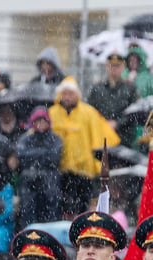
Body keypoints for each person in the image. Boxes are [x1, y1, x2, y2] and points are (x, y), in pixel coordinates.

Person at [49, 78, 119, 218]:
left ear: (77, 95)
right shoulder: (52, 113)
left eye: (71, 94)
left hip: (83, 168)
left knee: (82, 204)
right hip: (60, 168)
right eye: (65, 93)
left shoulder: (88, 112)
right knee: (61, 205)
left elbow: (102, 135)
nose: (68, 97)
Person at [14, 108, 64, 228]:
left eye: (43, 121)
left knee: (50, 213)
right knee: (28, 213)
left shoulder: (55, 138)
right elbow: (21, 157)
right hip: (29, 182)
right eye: (38, 121)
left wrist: (34, 155)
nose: (41, 124)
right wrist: (43, 153)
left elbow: (54, 157)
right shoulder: (26, 138)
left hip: (49, 182)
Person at [85, 53, 137, 131]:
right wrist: (102, 122)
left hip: (123, 135)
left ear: (123, 67)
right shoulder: (97, 88)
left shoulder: (130, 88)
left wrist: (117, 123)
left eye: (117, 66)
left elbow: (134, 114)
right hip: (101, 133)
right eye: (111, 65)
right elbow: (90, 111)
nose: (114, 68)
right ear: (107, 66)